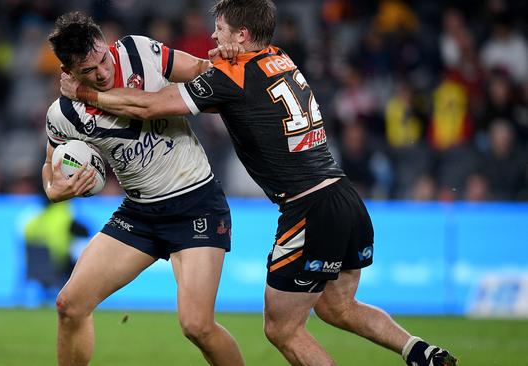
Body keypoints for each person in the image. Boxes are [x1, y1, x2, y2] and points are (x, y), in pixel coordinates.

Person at [60, 1, 458, 365]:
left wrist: (85, 93)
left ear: (242, 35)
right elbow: (222, 83)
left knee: (281, 328)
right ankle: (418, 350)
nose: (214, 37)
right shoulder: (279, 58)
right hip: (344, 196)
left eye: (220, 29)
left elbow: (149, 104)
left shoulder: (231, 76)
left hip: (309, 209)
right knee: (338, 307)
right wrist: (216, 63)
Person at [44, 11, 244, 366]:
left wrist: (220, 62)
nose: (102, 73)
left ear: (105, 43)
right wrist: (56, 189)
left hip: (195, 202)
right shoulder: (62, 115)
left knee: (197, 325)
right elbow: (51, 169)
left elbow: (200, 71)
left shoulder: (139, 52)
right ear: (67, 74)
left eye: (102, 59)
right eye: (88, 72)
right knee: (69, 306)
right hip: (140, 214)